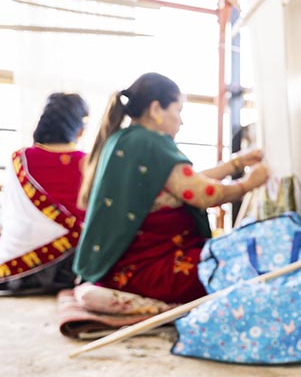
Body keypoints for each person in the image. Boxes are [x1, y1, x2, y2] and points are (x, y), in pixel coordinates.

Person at [73, 72, 268, 304]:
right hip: (146, 271)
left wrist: (235, 164)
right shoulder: (150, 143)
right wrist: (248, 184)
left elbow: (184, 183)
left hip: (116, 271)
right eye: (178, 110)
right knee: (247, 261)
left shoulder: (123, 140)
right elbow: (204, 194)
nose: (181, 121)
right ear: (156, 110)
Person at [0, 92, 89, 294]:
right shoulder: (88, 161)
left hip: (16, 271)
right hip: (70, 270)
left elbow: (9, 213)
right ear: (81, 130)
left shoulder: (18, 158)